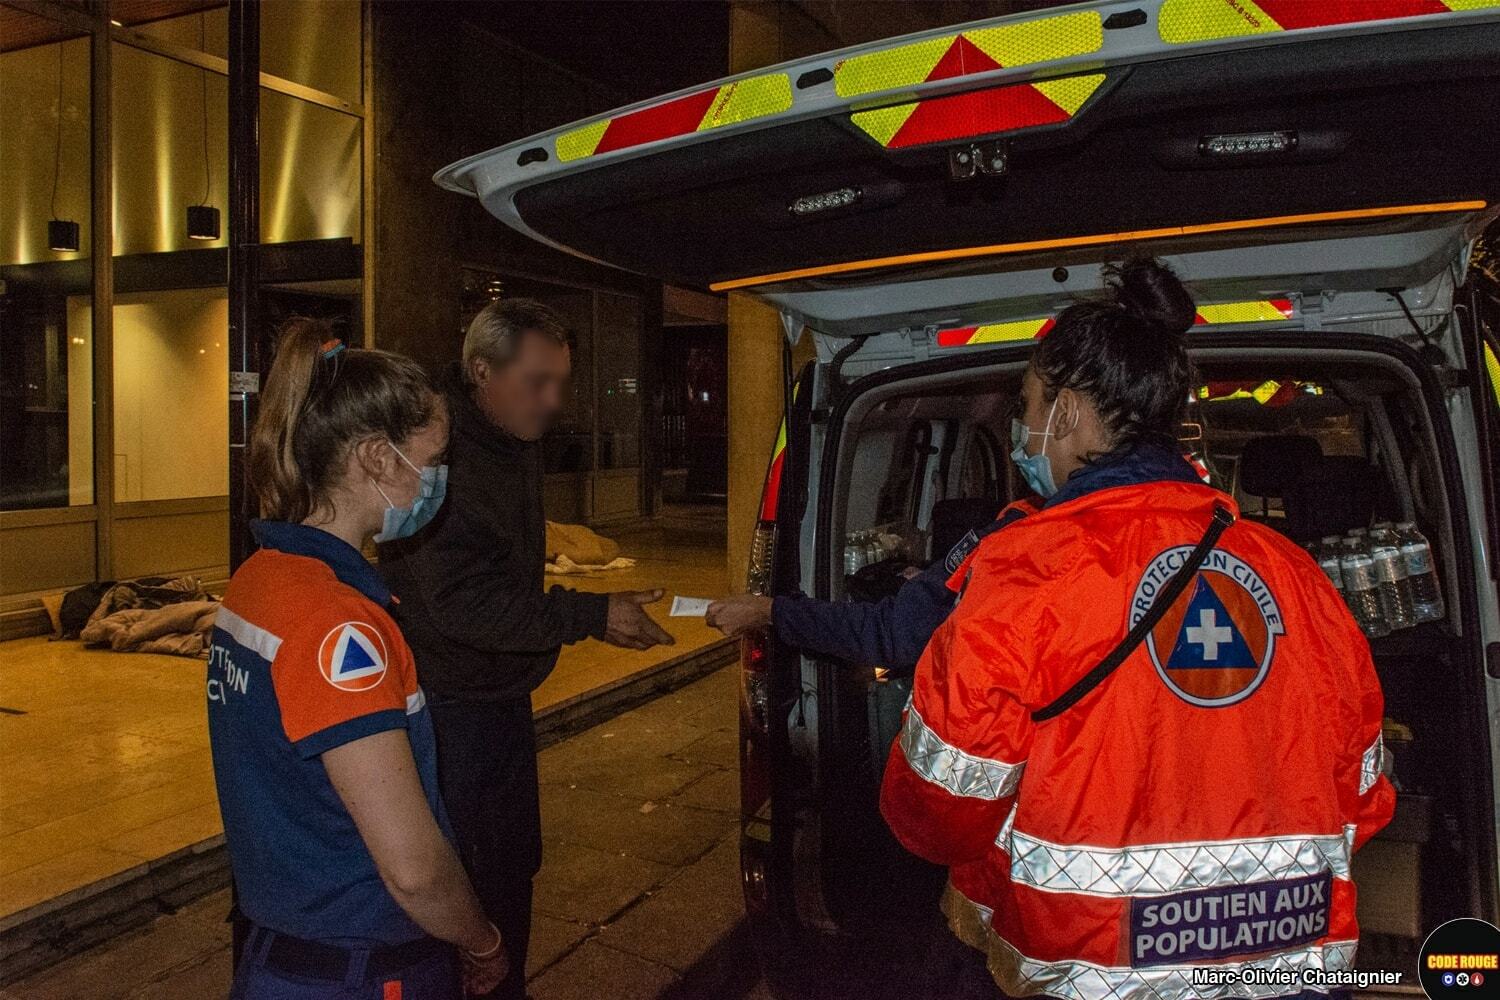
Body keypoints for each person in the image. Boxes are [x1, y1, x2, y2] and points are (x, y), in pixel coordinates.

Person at [879, 258, 1394, 1000]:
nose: (1026, 432)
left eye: (1028, 406)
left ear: (1071, 411)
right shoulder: (1297, 574)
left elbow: (938, 809)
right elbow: (1367, 794)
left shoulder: (1023, 569)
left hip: (1093, 974)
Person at [379, 298, 675, 1000]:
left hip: (499, 693)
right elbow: (460, 600)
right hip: (452, 703)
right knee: (470, 875)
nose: (553, 400)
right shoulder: (440, 456)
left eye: (561, 381)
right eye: (538, 381)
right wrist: (588, 613)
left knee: (512, 864)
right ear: (482, 371)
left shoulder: (507, 435)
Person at [207, 319, 507, 999]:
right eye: (431, 461)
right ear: (376, 458)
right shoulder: (339, 626)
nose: (437, 481)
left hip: (283, 954)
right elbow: (414, 869)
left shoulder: (261, 579)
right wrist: (481, 940)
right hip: (362, 970)